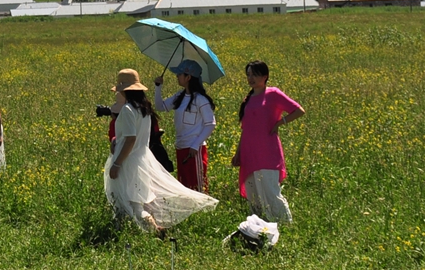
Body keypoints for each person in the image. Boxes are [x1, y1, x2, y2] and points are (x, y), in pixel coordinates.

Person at [104, 69, 217, 234]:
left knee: (131, 203)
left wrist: (117, 164)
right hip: (140, 159)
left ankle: (156, 231)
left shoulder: (128, 110)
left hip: (128, 161)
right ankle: (130, 232)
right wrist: (116, 141)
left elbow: (130, 139)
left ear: (124, 89)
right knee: (132, 201)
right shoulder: (143, 109)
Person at [231, 60, 304, 225]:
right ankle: (260, 227)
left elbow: (298, 110)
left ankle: (286, 224)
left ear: (265, 76)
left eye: (254, 74)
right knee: (253, 193)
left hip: (268, 152)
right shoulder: (248, 99)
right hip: (249, 153)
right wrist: (238, 153)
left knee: (271, 192)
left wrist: (280, 122)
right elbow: (245, 130)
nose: (250, 78)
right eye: (248, 74)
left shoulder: (273, 94)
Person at [154, 59, 217, 193]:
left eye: (179, 74)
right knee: (184, 186)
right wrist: (158, 87)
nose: (177, 76)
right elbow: (160, 106)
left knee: (198, 186)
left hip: (195, 150)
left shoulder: (200, 99)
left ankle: (202, 212)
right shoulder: (179, 96)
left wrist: (195, 144)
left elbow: (210, 124)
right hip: (181, 147)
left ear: (188, 77)